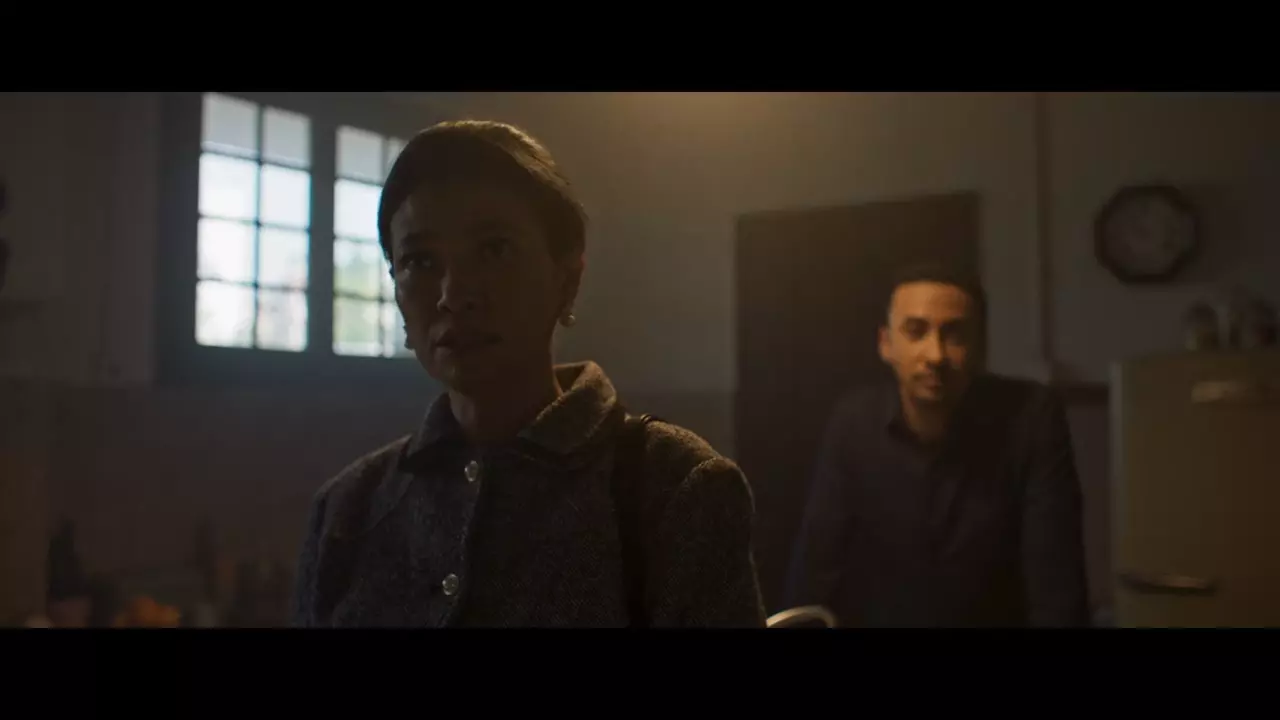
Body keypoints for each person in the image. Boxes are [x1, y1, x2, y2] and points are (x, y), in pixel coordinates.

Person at [292, 120, 765, 627]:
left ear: (567, 278)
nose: (454, 294)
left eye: (494, 249)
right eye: (421, 261)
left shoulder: (673, 488)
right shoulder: (347, 510)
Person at [785, 264, 1090, 627]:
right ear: (886, 344)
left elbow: (1057, 582)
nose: (935, 355)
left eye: (955, 334)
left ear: (980, 347)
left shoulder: (1031, 417)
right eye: (916, 331)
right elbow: (816, 567)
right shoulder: (854, 422)